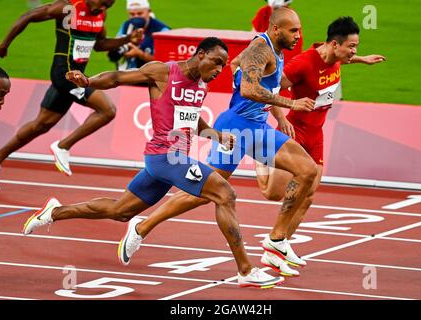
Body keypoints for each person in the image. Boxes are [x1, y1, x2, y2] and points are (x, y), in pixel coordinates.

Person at [22, 37, 285, 289]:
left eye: (223, 66)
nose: (219, 70)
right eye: (215, 62)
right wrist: (89, 80)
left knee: (120, 211)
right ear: (200, 54)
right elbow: (116, 78)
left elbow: (192, 121)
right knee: (225, 194)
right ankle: (246, 270)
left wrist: (216, 136)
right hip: (165, 156)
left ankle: (54, 212)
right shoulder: (163, 72)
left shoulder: (201, 86)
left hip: (173, 159)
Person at [113, 7, 319, 278]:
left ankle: (276, 242)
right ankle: (142, 227)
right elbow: (248, 88)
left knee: (307, 170)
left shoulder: (275, 52)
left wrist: (278, 115)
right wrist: (290, 103)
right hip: (235, 128)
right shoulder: (261, 48)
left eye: (299, 30)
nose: (298, 35)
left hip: (257, 128)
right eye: (293, 30)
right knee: (204, 194)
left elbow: (239, 69)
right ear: (276, 29)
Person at [255, 16, 386, 257]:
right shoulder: (302, 64)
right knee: (273, 194)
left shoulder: (335, 57)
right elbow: (269, 89)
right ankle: (259, 157)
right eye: (352, 47)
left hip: (317, 136)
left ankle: (279, 246)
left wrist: (361, 60)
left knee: (307, 196)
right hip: (295, 132)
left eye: (356, 46)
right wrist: (282, 117)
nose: (354, 50)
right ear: (335, 44)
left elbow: (338, 62)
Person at [0, 0, 143, 188]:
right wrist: (4, 44)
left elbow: (100, 44)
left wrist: (127, 38)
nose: (103, 9)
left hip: (76, 77)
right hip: (65, 75)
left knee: (41, 124)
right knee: (108, 110)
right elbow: (29, 16)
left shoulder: (99, 15)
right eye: (103, 3)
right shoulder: (68, 9)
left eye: (108, 6)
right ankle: (63, 146)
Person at [108, 0, 170, 71]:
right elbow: (115, 51)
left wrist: (140, 54)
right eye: (132, 14)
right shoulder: (126, 25)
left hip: (152, 77)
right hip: (129, 74)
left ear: (149, 11)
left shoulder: (162, 31)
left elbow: (167, 62)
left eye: (140, 13)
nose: (136, 17)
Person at [252, 0, 303, 64]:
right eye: (275, 8)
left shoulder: (291, 18)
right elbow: (252, 37)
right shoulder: (263, 12)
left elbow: (293, 51)